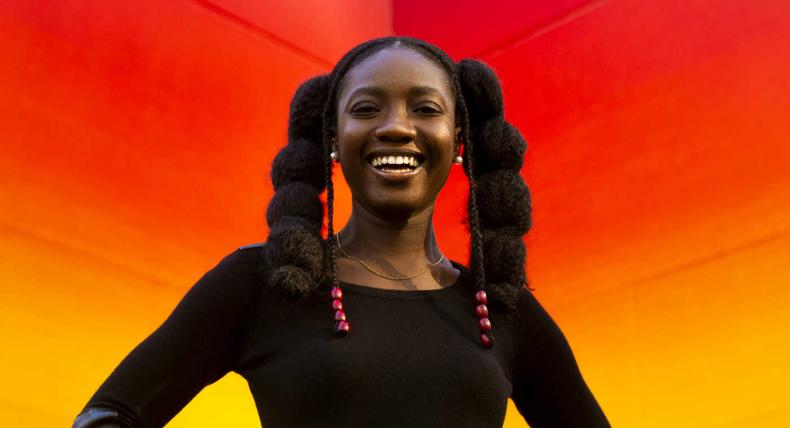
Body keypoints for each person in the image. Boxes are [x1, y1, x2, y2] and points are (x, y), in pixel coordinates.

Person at [73, 36, 610, 427]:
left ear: (459, 140)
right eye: (366, 108)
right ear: (334, 138)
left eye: (425, 108)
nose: (396, 125)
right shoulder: (261, 285)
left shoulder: (500, 309)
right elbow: (109, 416)